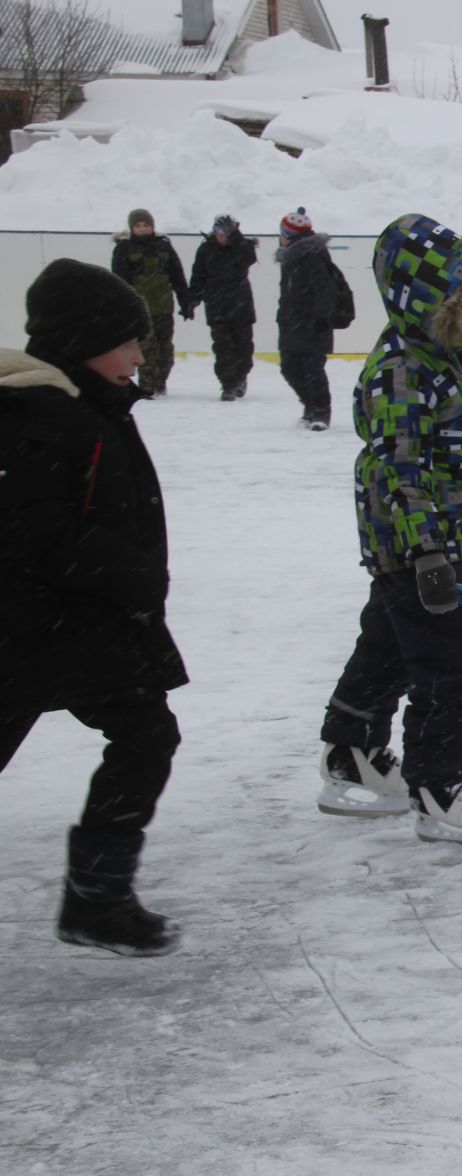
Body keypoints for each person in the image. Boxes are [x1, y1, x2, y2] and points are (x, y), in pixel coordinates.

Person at [0, 259, 187, 955]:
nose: (140, 355)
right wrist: (127, 569)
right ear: (84, 341)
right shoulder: (44, 416)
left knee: (146, 737)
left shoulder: (88, 406)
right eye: (126, 341)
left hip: (84, 626)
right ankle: (96, 899)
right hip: (34, 631)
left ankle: (98, 897)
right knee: (144, 738)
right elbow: (33, 533)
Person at [315, 213, 462, 848]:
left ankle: (352, 751)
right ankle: (440, 785)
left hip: (418, 537)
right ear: (431, 300)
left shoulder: (439, 355)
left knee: (391, 647)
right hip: (418, 542)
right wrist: (428, 549)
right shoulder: (404, 368)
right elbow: (396, 466)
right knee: (454, 667)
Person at [109, 207, 192, 398]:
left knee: (165, 349)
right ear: (132, 228)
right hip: (140, 310)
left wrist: (185, 301)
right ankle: (146, 386)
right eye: (138, 225)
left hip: (163, 307)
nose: (142, 228)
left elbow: (177, 276)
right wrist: (122, 308)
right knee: (146, 349)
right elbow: (119, 282)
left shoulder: (163, 246)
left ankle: (161, 381)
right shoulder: (123, 248)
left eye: (146, 224)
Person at [274, 207, 340, 430]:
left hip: (311, 325)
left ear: (291, 235)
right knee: (289, 368)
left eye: (283, 233)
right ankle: (310, 406)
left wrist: (321, 318)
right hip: (292, 324)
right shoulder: (292, 257)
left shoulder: (311, 256)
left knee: (313, 371)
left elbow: (325, 289)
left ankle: (321, 412)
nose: (280, 237)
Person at [189, 214, 258, 402]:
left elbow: (248, 259)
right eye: (218, 231)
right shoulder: (206, 249)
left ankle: (241, 376)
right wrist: (192, 299)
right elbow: (198, 275)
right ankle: (228, 384)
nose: (221, 236)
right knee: (222, 348)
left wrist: (236, 239)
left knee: (243, 348)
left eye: (226, 232)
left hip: (241, 306)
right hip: (217, 307)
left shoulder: (243, 247)